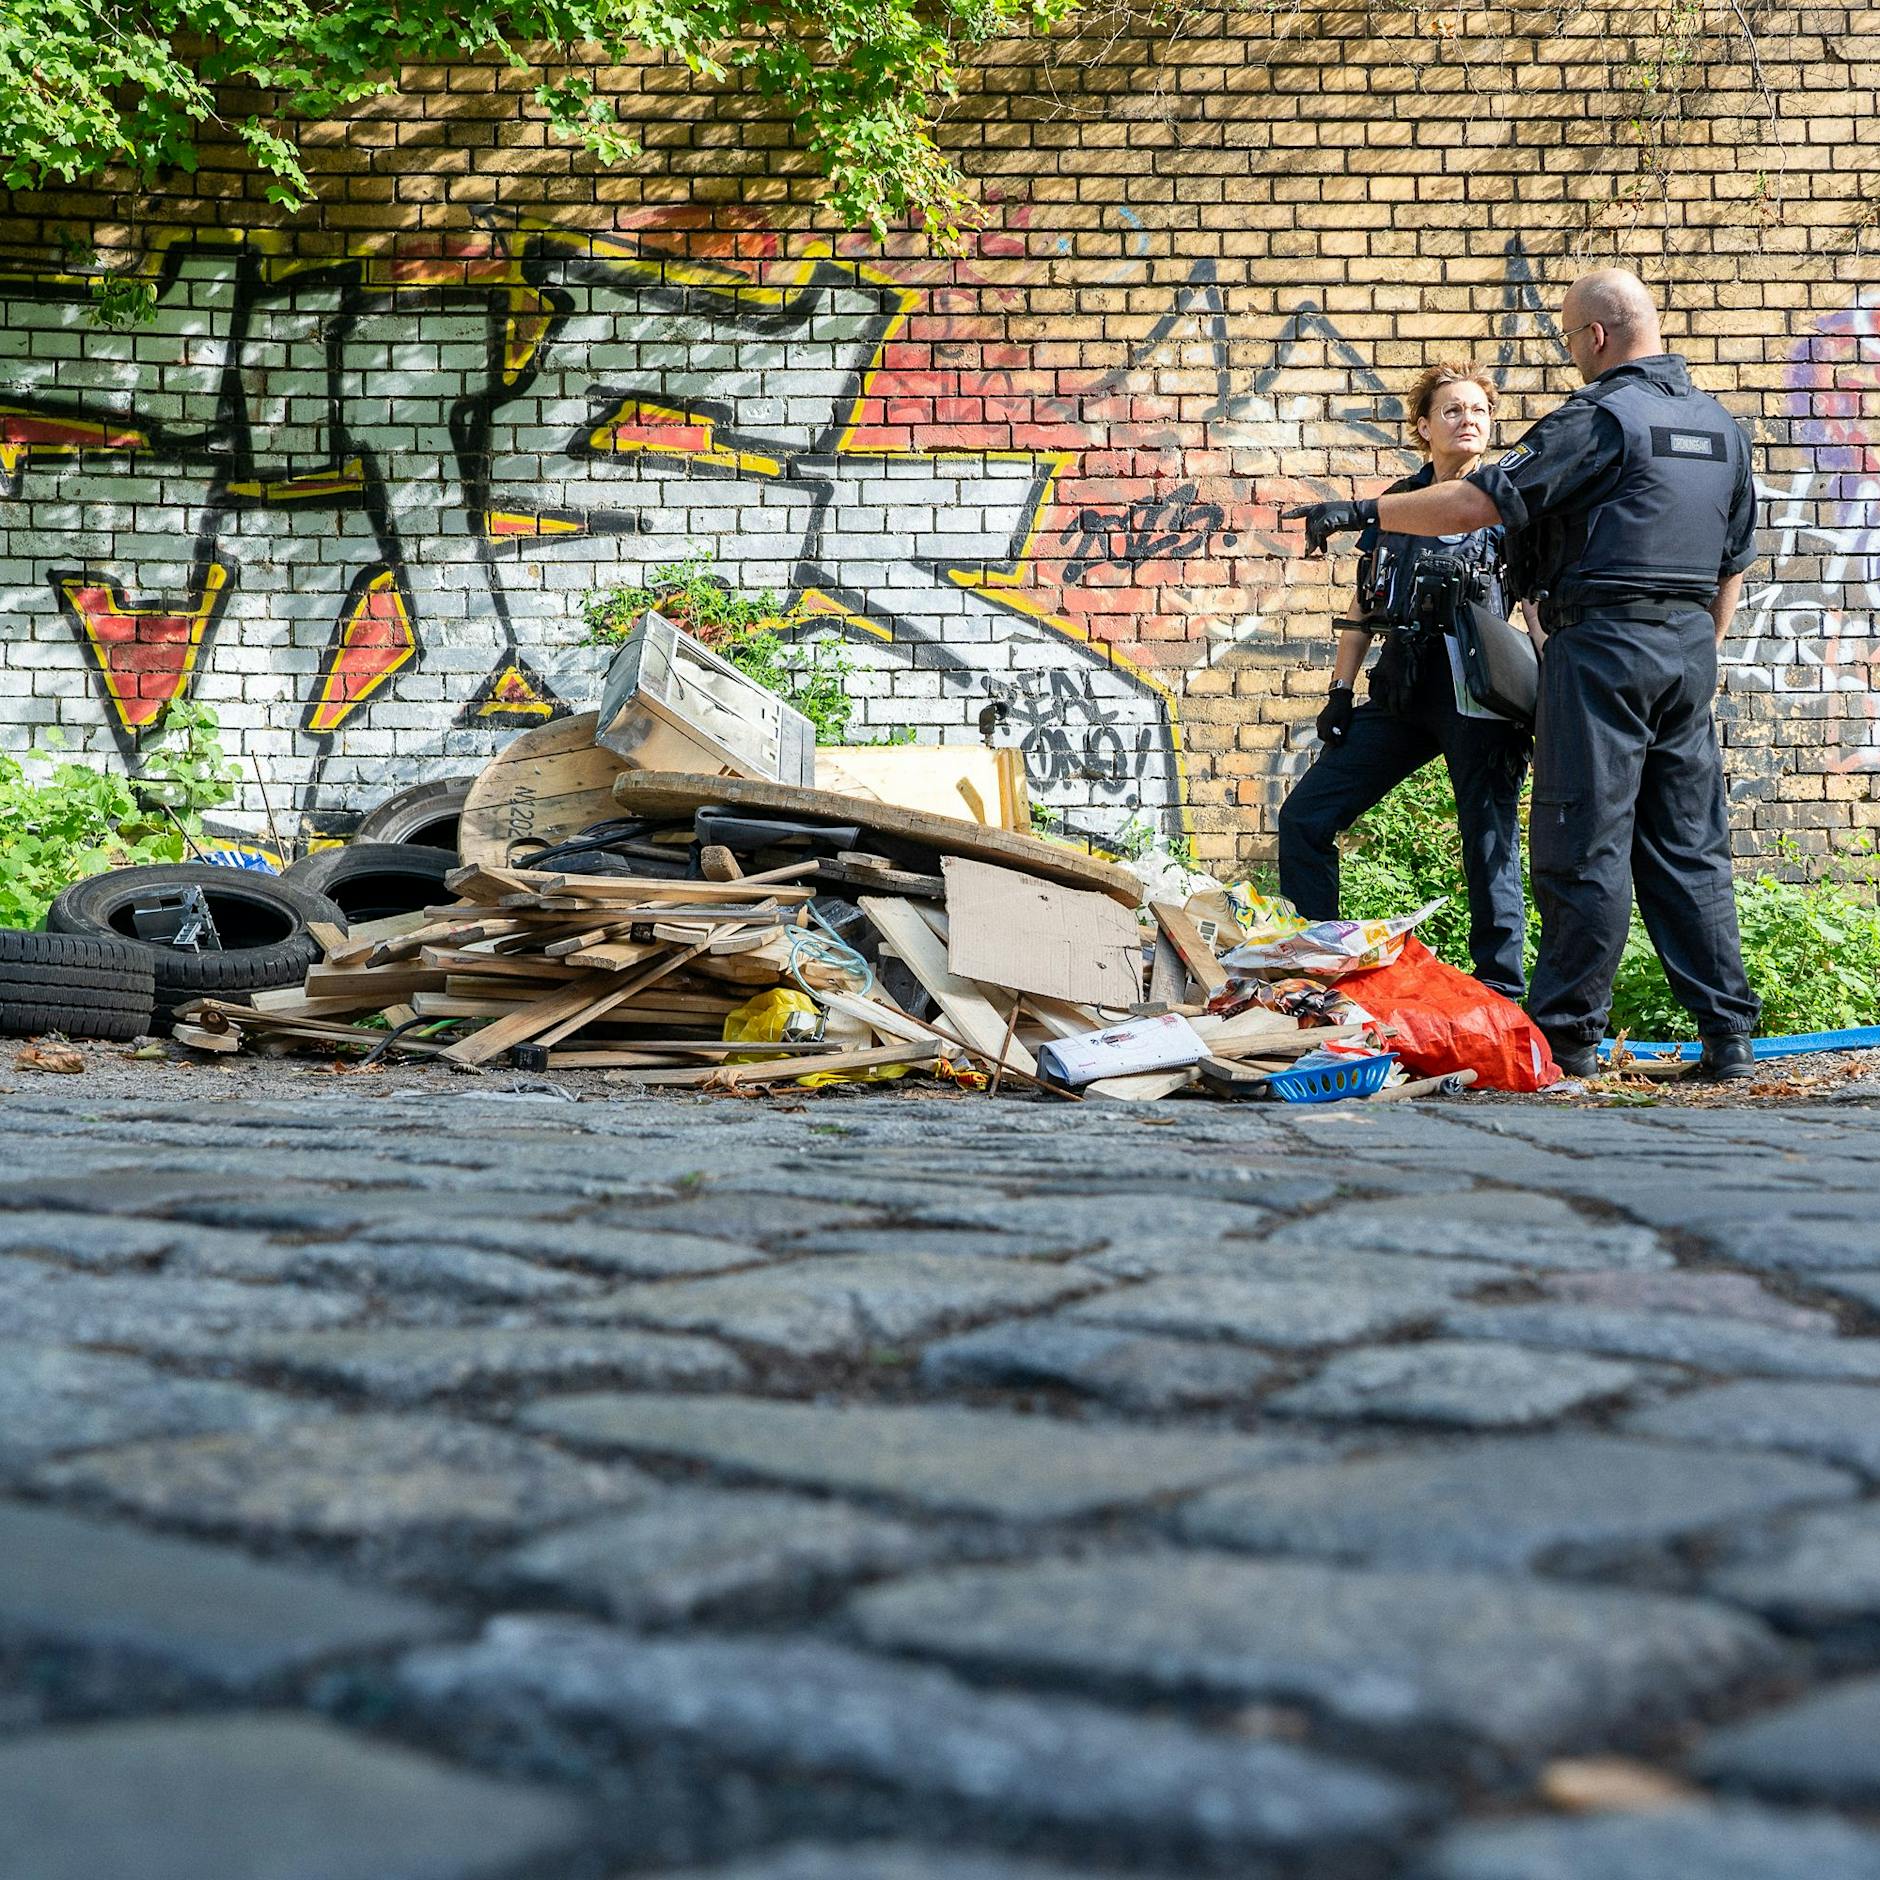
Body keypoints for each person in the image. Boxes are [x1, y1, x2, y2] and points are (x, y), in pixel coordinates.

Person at [1286, 269, 1761, 1079]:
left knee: (1582, 840)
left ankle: (1567, 1038)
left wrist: (1362, 512)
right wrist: (1698, 656)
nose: (1572, 355)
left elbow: (1479, 504)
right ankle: (1729, 1040)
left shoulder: (1600, 418)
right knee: (1690, 848)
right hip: (1685, 653)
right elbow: (1732, 566)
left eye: (1571, 340)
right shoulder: (1719, 428)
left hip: (1603, 647)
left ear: (1597, 337)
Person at [1277, 362, 1530, 999]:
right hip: (1403, 686)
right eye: (1452, 410)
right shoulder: (1400, 502)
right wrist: (1339, 690)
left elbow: (1536, 606)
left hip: (1481, 691)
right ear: (1423, 427)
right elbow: (1365, 603)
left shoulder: (1507, 502)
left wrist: (1548, 697)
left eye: (1478, 410)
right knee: (1306, 817)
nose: (1468, 419)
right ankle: (1320, 973)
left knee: (1488, 836)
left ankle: (1500, 991)